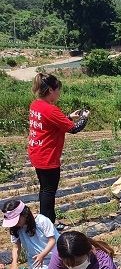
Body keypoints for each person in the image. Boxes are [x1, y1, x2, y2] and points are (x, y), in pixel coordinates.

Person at [28, 73, 90, 229]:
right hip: (47, 156)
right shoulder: (51, 110)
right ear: (50, 90)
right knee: (49, 191)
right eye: (57, 90)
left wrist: (68, 116)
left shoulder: (35, 104)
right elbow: (74, 129)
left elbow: (51, 122)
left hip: (36, 152)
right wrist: (84, 117)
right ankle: (48, 224)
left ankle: (46, 220)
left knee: (45, 189)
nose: (59, 93)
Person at [1, 200, 59, 269]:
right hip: (37, 261)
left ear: (25, 214)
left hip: (55, 255)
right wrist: (14, 263)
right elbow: (16, 247)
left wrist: (42, 255)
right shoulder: (16, 228)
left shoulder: (41, 221)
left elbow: (52, 240)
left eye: (17, 221)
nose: (15, 224)